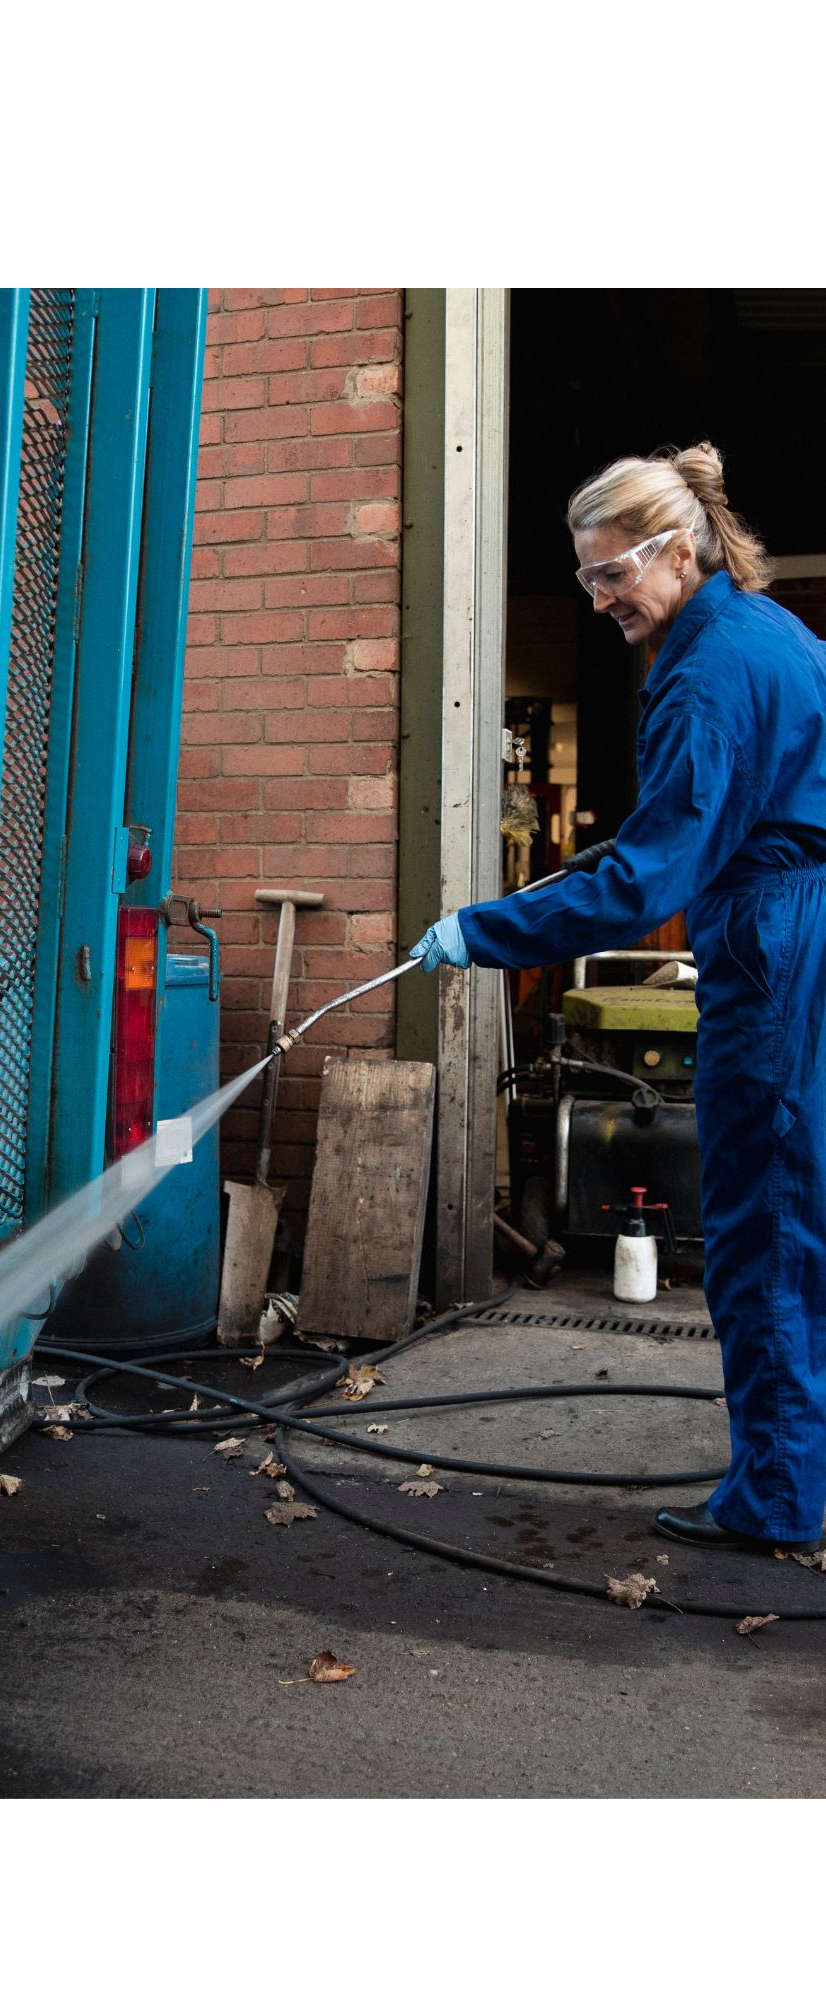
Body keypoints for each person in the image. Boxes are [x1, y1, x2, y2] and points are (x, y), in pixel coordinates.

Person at [413, 442, 826, 1557]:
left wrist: (478, 929)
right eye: (586, 577)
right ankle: (799, 1461)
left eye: (610, 576)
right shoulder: (762, 627)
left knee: (763, 1219)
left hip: (777, 933)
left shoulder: (704, 670)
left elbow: (647, 881)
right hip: (803, 918)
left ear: (675, 549)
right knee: (805, 1207)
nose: (598, 599)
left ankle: (778, 1496)